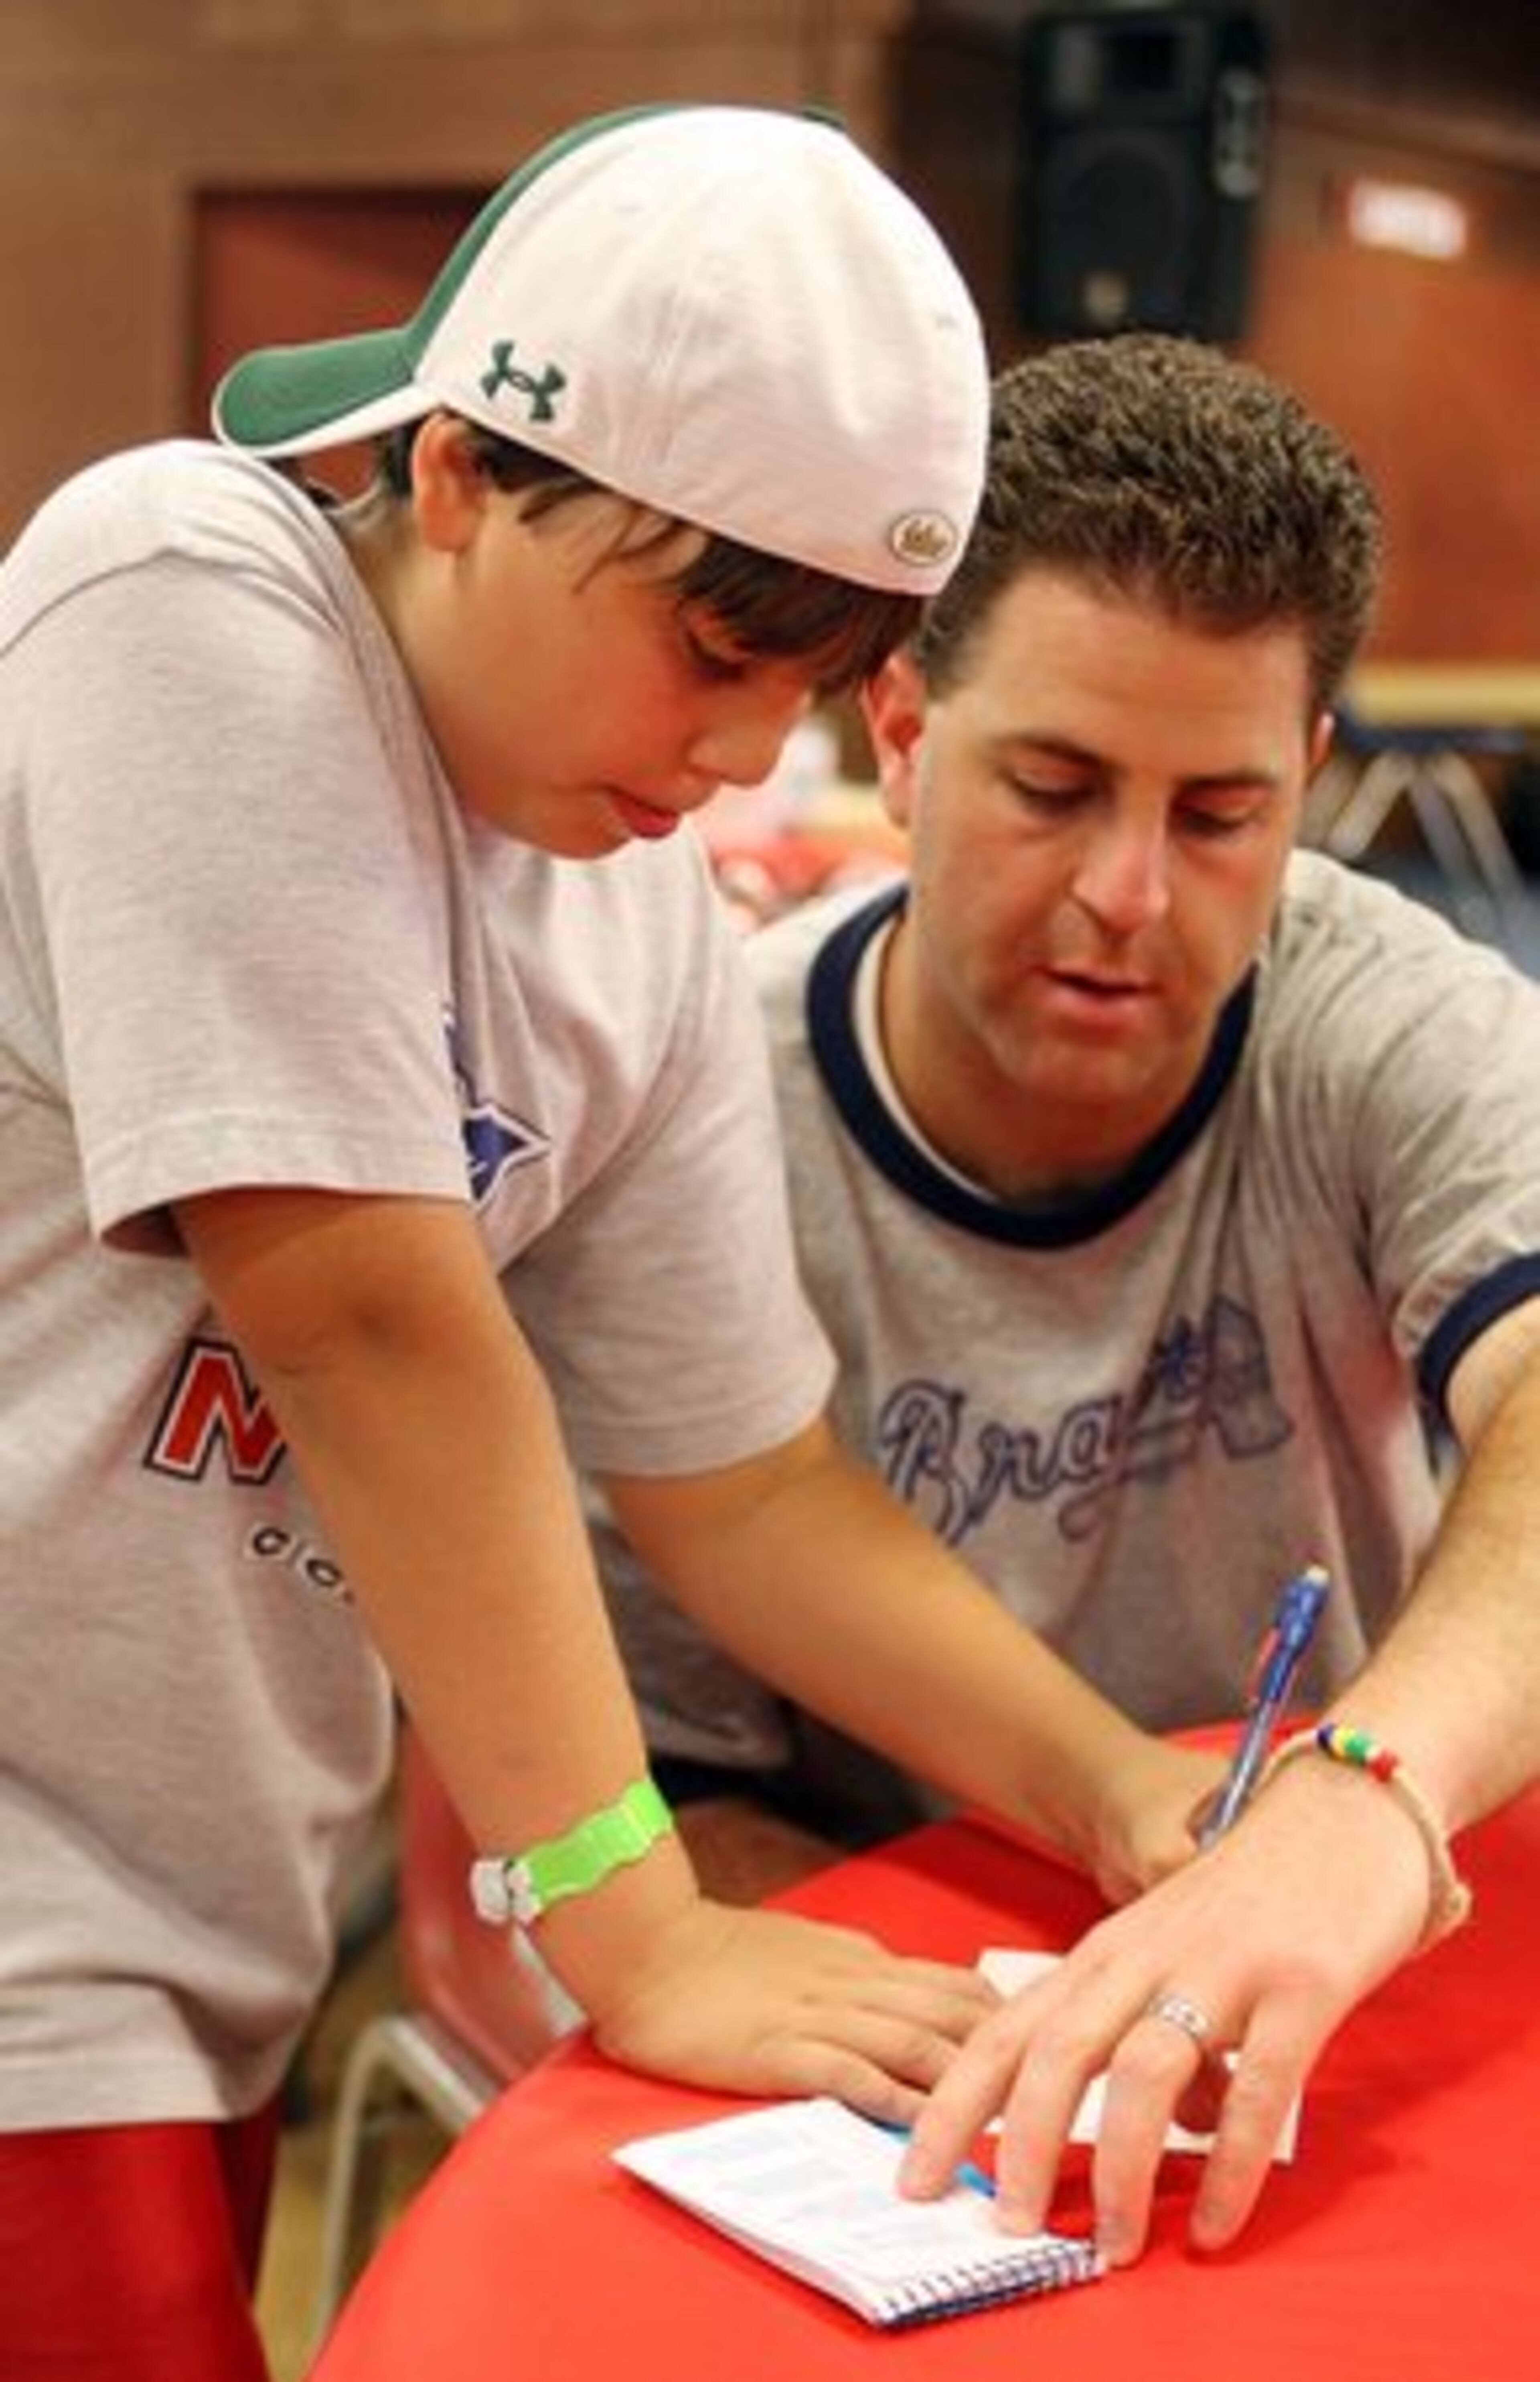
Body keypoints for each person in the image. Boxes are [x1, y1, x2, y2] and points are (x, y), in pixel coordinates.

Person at [0, 108, 1220, 2380]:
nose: (748, 751)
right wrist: (636, 1926)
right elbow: (367, 1320)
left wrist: (1103, 1780)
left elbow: (740, 1480)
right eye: (706, 645)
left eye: (814, 671)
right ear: (459, 472)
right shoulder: (174, 586)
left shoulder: (632, 903)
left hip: (203, 1928)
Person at [602, 332, 1540, 2262]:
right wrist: (1042, 1994)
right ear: (898, 729)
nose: (1131, 893)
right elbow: (640, 1805)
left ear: (1311, 783)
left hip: (1321, 1951)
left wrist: (1361, 1800)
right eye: (1054, 787)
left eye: (1219, 819)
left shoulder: (1377, 1009)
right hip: (897, 2005)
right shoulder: (695, 1123)